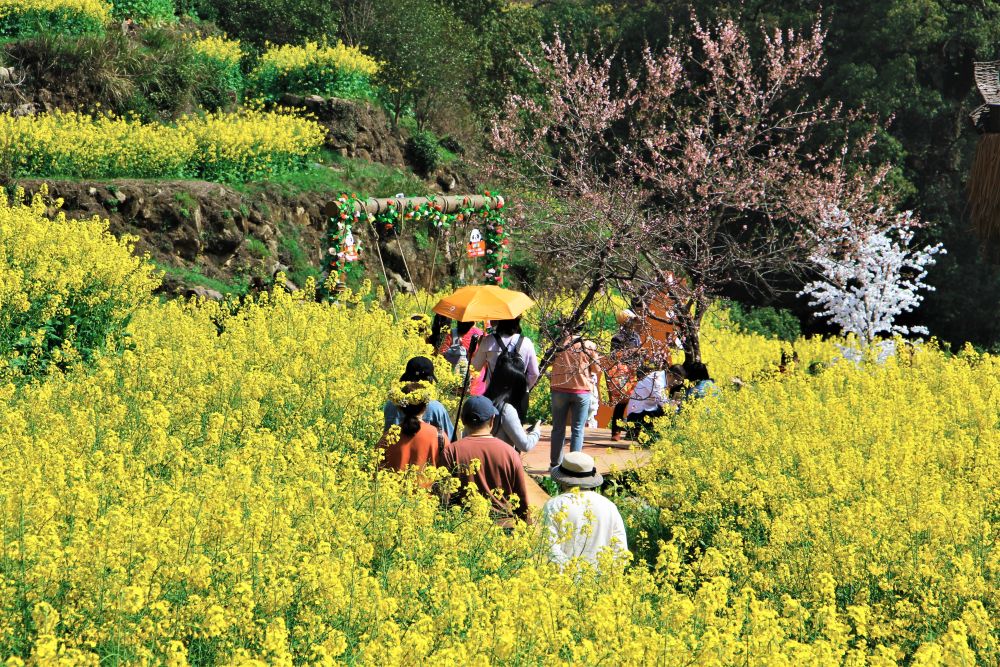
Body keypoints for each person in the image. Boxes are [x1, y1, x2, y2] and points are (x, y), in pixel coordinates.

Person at [442, 396, 531, 523]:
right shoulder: (510, 453)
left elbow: (444, 497)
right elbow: (522, 497)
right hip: (504, 526)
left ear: (462, 420)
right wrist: (526, 527)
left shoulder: (451, 451)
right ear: (492, 420)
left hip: (464, 525)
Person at [542, 451, 628, 568]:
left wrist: (574, 574)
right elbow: (621, 552)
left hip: (565, 577)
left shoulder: (554, 505)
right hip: (603, 577)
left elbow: (551, 549)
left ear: (562, 480)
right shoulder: (609, 506)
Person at [548, 326, 602, 469]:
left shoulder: (559, 343)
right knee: (578, 429)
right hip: (581, 390)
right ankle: (573, 466)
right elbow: (596, 369)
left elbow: (548, 362)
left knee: (558, 428)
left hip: (559, 389)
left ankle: (555, 464)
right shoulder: (589, 345)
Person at [377, 382, 441, 486]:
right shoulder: (439, 436)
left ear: (400, 407)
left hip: (392, 495)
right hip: (426, 496)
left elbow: (376, 473)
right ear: (425, 407)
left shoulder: (388, 437)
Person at [383, 356, 454, 436]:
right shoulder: (436, 408)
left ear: (406, 379)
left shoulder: (391, 404)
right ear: (428, 382)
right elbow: (450, 437)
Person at [483, 362, 541, 452]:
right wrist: (536, 431)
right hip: (499, 458)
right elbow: (525, 445)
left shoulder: (479, 402)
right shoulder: (506, 410)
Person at [470, 317, 540, 391]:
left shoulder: (488, 341)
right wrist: (522, 390)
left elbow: (475, 367)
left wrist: (479, 347)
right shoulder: (527, 342)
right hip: (516, 394)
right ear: (517, 320)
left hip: (493, 393)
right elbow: (534, 373)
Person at [607, 309, 641, 441]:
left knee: (635, 402)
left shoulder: (636, 337)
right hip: (621, 373)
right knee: (621, 402)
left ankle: (632, 431)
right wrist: (632, 352)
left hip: (633, 371)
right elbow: (613, 356)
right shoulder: (617, 338)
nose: (634, 324)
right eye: (631, 321)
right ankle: (616, 431)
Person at [625, 366, 669, 434]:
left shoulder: (657, 376)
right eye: (678, 381)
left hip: (642, 411)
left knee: (663, 410)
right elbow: (662, 401)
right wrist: (674, 407)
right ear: (670, 375)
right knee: (665, 411)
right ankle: (639, 431)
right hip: (636, 415)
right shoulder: (656, 379)